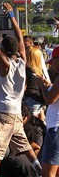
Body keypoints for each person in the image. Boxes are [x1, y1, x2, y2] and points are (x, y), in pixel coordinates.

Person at [0, 2, 42, 177]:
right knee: (24, 145)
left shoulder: (5, 63)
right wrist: (11, 16)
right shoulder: (22, 60)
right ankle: (39, 169)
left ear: (3, 49)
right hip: (16, 112)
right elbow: (20, 37)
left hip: (3, 112)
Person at [35, 46, 59, 176]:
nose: (52, 66)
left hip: (55, 129)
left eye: (53, 62)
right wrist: (49, 85)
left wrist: (41, 86)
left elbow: (50, 100)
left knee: (47, 173)